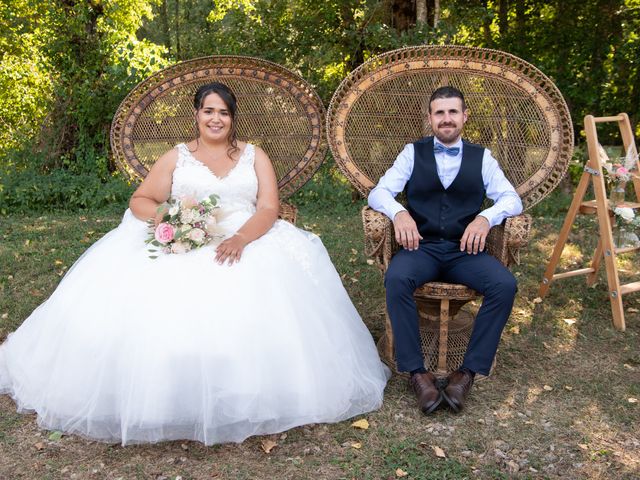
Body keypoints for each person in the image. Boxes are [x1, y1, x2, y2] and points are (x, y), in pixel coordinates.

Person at [0, 82, 389, 445]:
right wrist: (172, 222)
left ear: (233, 117)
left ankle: (246, 385)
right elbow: (141, 200)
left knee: (258, 291)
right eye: (208, 111)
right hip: (185, 238)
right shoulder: (177, 157)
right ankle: (173, 388)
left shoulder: (255, 156)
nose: (215, 118)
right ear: (197, 114)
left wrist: (240, 239)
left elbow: (269, 208)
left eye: (223, 112)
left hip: (246, 235)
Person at [368, 86, 522, 415]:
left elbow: (512, 200)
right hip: (420, 248)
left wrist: (485, 217)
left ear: (465, 117)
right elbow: (379, 192)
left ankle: (466, 373)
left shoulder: (483, 158)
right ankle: (418, 374)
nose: (446, 119)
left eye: (453, 112)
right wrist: (399, 212)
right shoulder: (412, 153)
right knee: (396, 279)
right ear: (430, 118)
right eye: (440, 113)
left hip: (464, 251)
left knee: (504, 285)